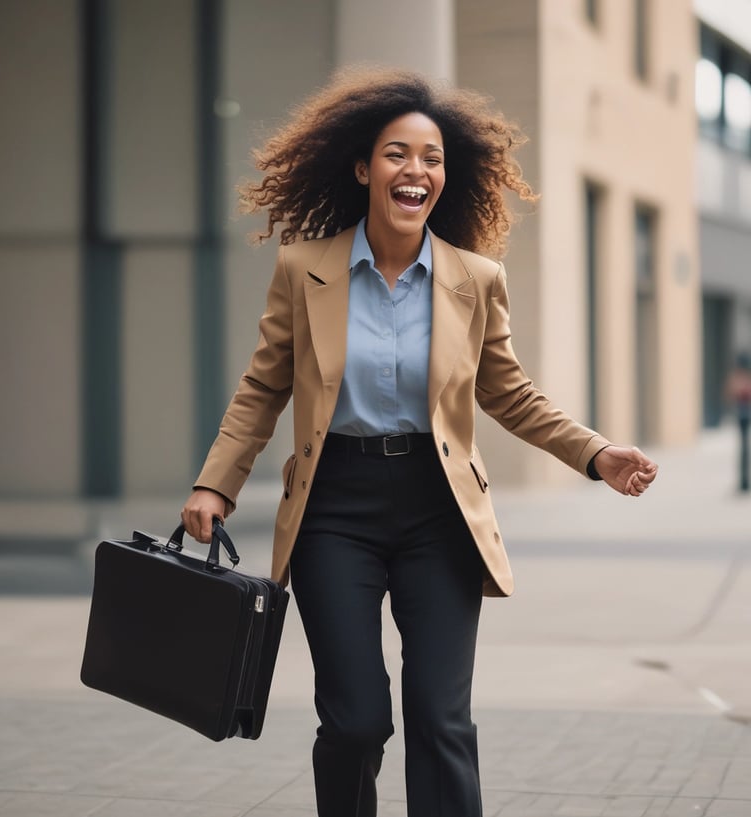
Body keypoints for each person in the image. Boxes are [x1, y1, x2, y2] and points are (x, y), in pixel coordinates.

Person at [181, 67, 658, 817]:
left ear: (445, 176)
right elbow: (263, 387)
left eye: (431, 157)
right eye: (398, 154)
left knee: (441, 718)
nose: (417, 170)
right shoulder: (305, 270)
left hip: (439, 513)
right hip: (333, 509)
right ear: (365, 168)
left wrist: (595, 453)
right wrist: (217, 481)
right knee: (357, 718)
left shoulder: (475, 278)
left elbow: (509, 393)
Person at [725, 352, 751, 492]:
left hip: (743, 415)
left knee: (744, 451)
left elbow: (730, 393)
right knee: (744, 450)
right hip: (743, 416)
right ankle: (744, 481)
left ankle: (744, 481)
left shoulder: (739, 378)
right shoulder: (742, 378)